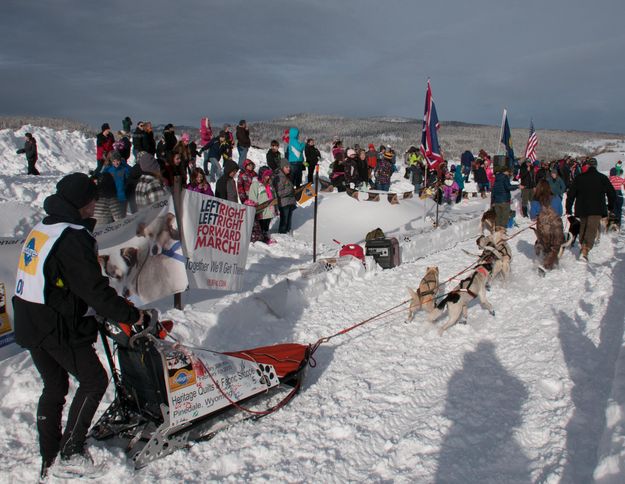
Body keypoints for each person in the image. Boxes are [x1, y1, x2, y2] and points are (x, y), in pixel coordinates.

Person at [12, 173, 143, 480]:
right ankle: (70, 451)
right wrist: (130, 315)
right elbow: (93, 289)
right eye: (92, 199)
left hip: (30, 320)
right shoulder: (72, 236)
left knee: (55, 386)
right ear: (84, 203)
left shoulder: (46, 226)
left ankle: (50, 456)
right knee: (94, 379)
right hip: (54, 324)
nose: (95, 204)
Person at [565, 158, 616, 260]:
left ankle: (583, 246)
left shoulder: (579, 178)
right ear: (596, 166)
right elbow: (612, 193)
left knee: (583, 227)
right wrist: (610, 206)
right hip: (597, 209)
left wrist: (568, 208)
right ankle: (585, 250)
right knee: (591, 229)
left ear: (587, 166)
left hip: (582, 208)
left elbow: (571, 194)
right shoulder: (602, 178)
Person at [531, 179, 565, 270]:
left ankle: (549, 263)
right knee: (555, 247)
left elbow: (532, 216)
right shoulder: (556, 197)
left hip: (543, 228)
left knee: (546, 247)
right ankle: (547, 265)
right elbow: (560, 212)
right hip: (556, 228)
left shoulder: (535, 200)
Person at [247, 167, 277, 244]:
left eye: (269, 175)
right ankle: (261, 240)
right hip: (261, 210)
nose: (268, 177)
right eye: (266, 175)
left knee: (266, 226)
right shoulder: (255, 185)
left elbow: (273, 195)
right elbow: (252, 197)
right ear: (262, 175)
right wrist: (256, 206)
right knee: (261, 226)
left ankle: (266, 237)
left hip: (269, 210)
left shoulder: (269, 184)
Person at [102, 151, 130, 218]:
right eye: (114, 161)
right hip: (113, 197)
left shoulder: (124, 169)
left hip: (123, 196)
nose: (116, 163)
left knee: (122, 216)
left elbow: (130, 173)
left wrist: (125, 164)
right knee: (114, 216)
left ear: (120, 160)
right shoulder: (109, 170)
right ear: (111, 162)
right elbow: (102, 177)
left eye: (117, 161)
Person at [272, 159, 296, 233]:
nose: (289, 168)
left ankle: (287, 234)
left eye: (289, 167)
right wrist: (290, 191)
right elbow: (279, 193)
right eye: (286, 167)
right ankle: (282, 235)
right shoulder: (279, 177)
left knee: (288, 221)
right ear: (282, 167)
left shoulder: (287, 176)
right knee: (284, 221)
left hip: (290, 201)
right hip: (284, 203)